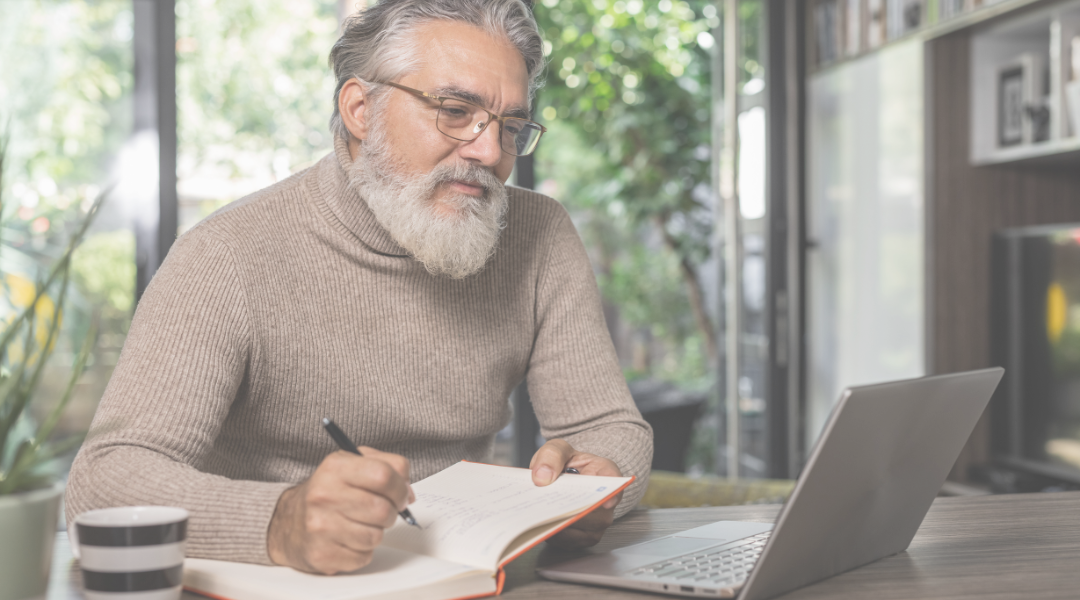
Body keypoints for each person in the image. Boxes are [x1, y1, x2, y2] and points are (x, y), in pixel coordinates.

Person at [66, 0, 652, 576]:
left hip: (468, 577)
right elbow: (104, 480)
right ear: (359, 108)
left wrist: (592, 487)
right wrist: (278, 521)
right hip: (282, 584)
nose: (490, 151)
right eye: (454, 110)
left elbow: (610, 430)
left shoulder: (539, 234)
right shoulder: (226, 255)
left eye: (512, 126)